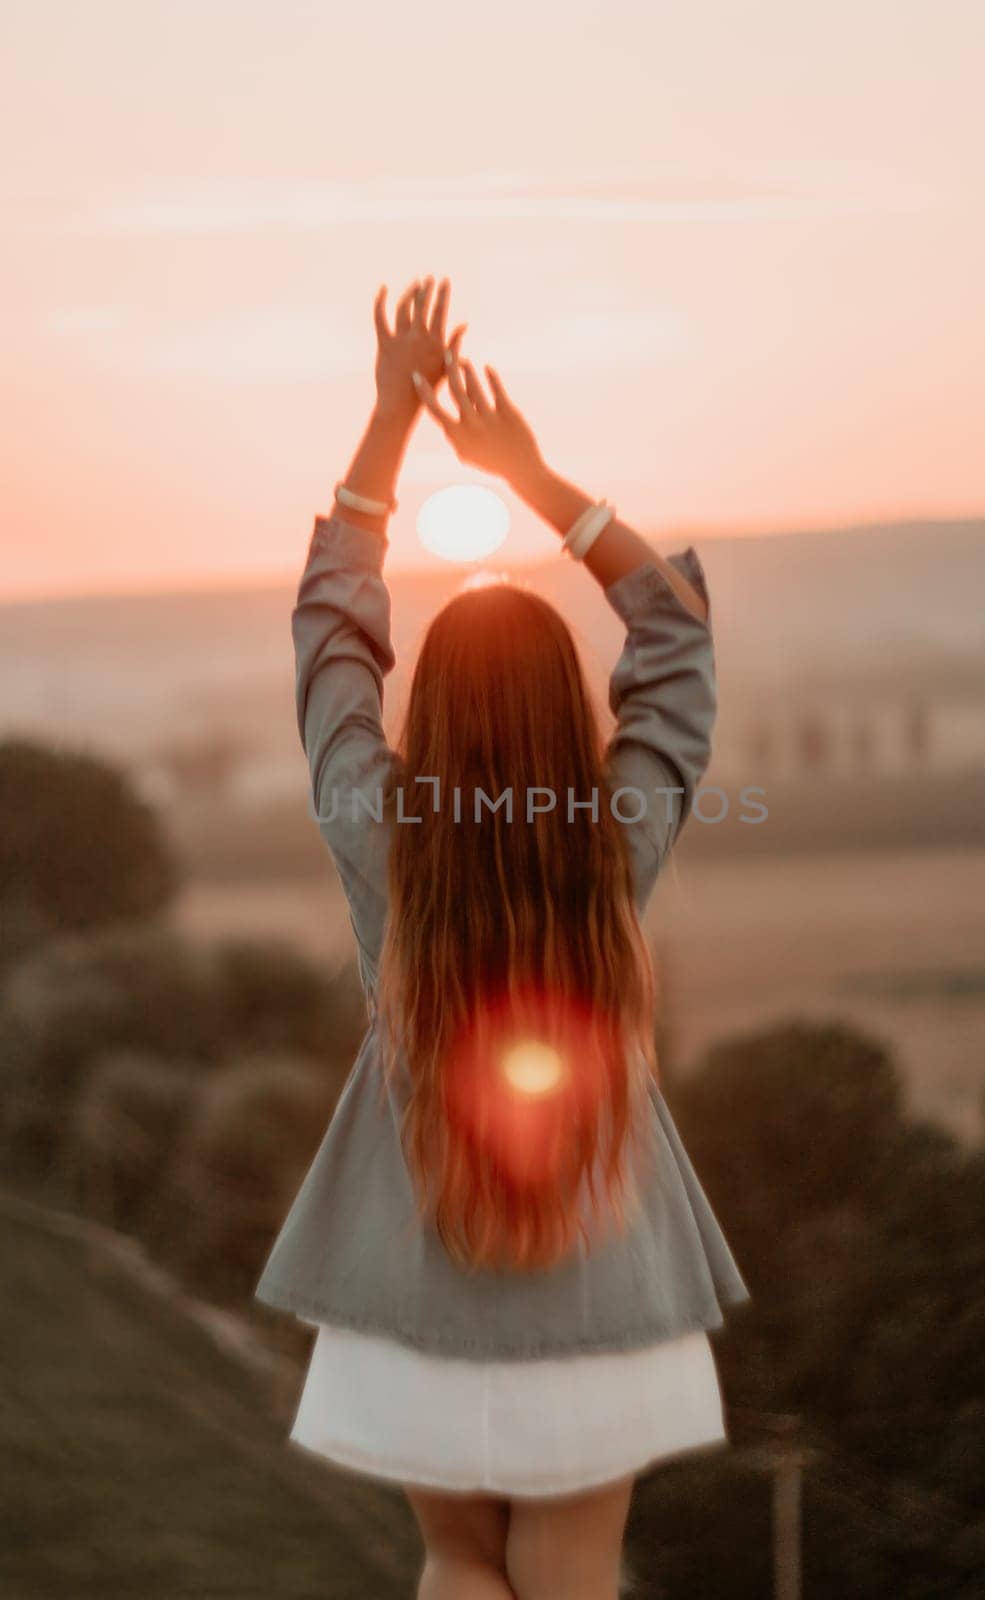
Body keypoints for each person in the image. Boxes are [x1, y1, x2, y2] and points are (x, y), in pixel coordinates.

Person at [254, 276, 752, 1600]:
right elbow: (677, 644)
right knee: (573, 1572)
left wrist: (387, 425)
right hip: (604, 1271)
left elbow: (331, 641)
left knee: (457, 1562)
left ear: (434, 711)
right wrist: (539, 484)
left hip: (410, 1270)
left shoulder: (379, 827)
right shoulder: (613, 836)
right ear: (563, 714)